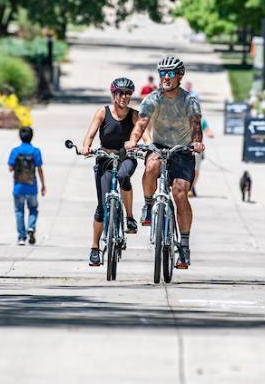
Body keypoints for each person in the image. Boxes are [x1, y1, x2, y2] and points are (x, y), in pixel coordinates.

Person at [124, 55, 204, 269]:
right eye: (162, 73)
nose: (165, 78)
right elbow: (141, 123)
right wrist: (132, 140)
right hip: (159, 146)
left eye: (170, 74)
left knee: (180, 193)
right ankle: (149, 205)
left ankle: (184, 246)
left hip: (183, 150)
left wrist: (196, 142)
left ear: (180, 75)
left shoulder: (189, 100)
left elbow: (196, 125)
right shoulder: (153, 98)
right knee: (151, 166)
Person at [80, 77, 140, 267]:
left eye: (128, 93)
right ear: (113, 94)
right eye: (120, 93)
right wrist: (86, 147)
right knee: (101, 206)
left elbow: (145, 135)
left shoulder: (134, 115)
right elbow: (89, 135)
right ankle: (95, 248)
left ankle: (129, 217)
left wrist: (146, 146)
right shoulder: (102, 112)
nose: (124, 97)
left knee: (123, 177)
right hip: (105, 158)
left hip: (126, 157)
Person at [8, 126, 45, 245]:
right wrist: (43, 184)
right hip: (32, 186)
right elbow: (39, 169)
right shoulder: (36, 151)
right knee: (33, 209)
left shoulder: (15, 151)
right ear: (32, 136)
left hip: (18, 186)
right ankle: (31, 227)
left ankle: (21, 237)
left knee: (19, 211)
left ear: (20, 136)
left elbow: (10, 168)